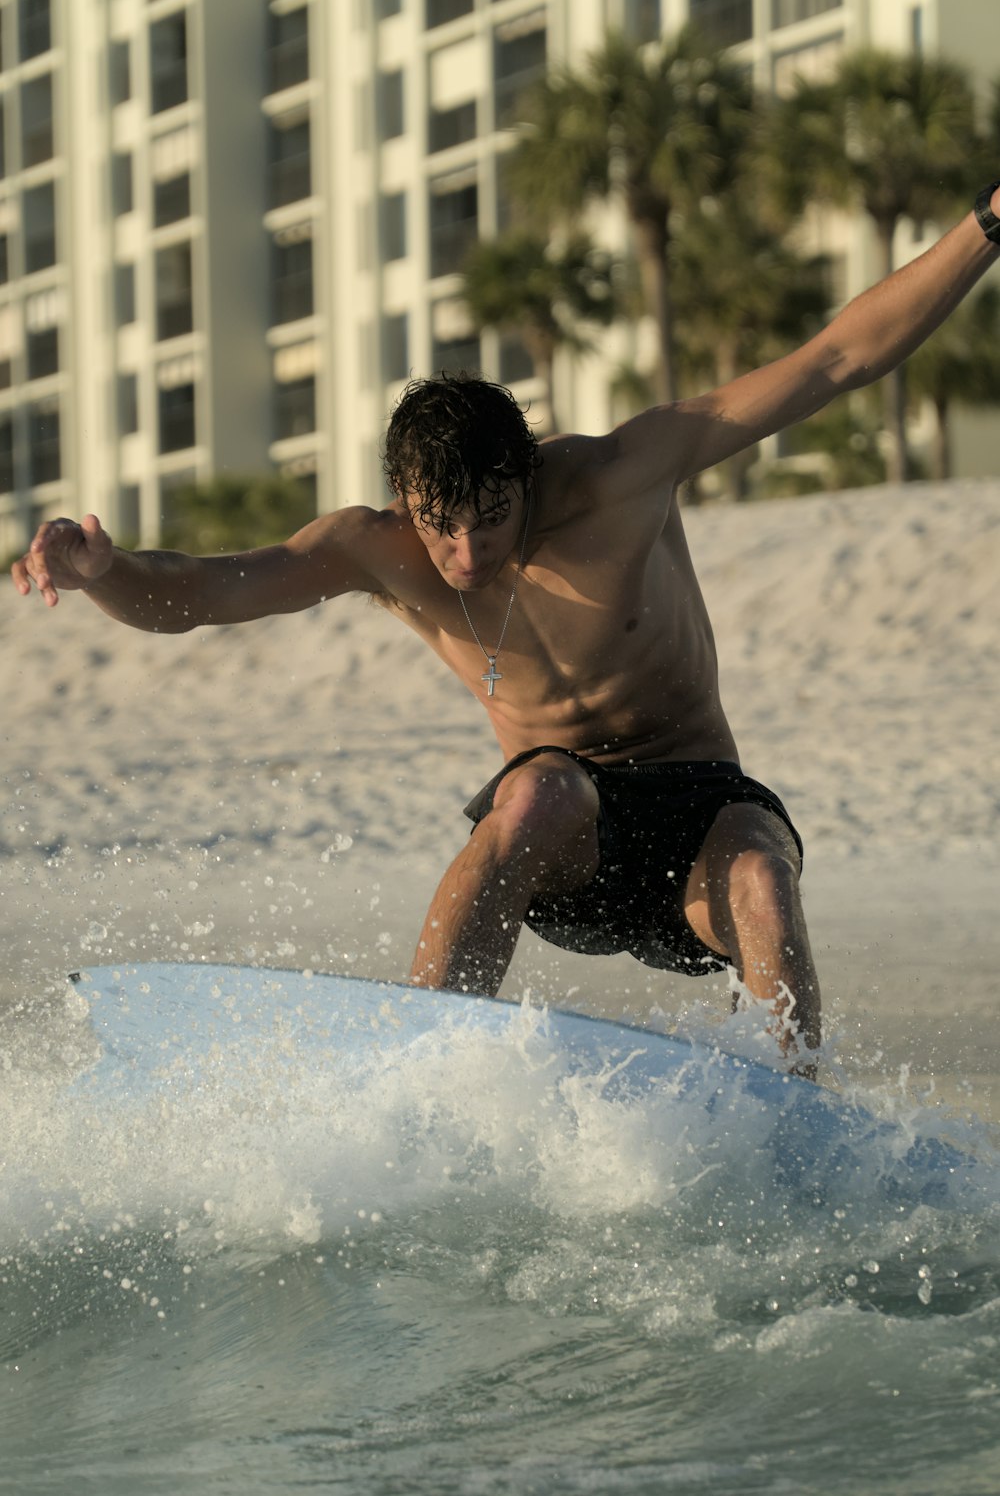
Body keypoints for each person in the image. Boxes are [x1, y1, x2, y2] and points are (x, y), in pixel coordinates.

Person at [13, 183, 1000, 1074]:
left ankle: (795, 1101)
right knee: (534, 791)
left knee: (757, 863)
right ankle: (427, 1070)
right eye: (442, 525)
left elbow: (835, 355)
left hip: (694, 814)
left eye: (493, 516)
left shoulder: (623, 474)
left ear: (527, 476)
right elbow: (212, 589)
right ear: (407, 500)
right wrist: (108, 573)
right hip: (564, 840)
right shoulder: (377, 548)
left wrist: (986, 224)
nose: (469, 552)